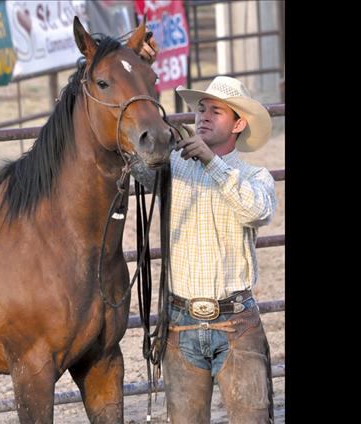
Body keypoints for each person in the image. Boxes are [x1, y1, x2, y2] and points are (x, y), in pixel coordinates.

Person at [135, 38, 277, 423]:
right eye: (201, 109)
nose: (203, 116)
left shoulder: (255, 177)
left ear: (238, 123)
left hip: (236, 323)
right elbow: (137, 156)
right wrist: (137, 65)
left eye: (217, 111)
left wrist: (212, 162)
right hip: (180, 322)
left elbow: (256, 210)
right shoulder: (173, 166)